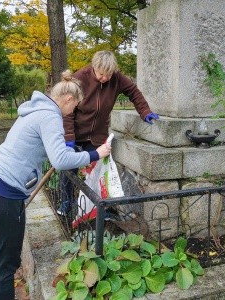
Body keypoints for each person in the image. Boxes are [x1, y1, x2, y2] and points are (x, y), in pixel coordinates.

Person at [0, 70, 112, 300]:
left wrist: (71, 150)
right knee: (6, 268)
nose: (73, 112)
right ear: (68, 99)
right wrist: (94, 154)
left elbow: (48, 149)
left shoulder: (35, 109)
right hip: (4, 197)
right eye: (75, 106)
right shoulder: (50, 116)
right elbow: (59, 161)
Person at [58, 50, 159, 215]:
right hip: (75, 132)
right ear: (94, 68)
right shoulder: (80, 78)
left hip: (97, 134)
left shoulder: (118, 79)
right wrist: (69, 137)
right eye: (101, 74)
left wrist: (145, 111)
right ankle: (66, 203)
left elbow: (134, 93)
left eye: (108, 75)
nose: (104, 78)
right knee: (68, 170)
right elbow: (67, 111)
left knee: (98, 171)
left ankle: (96, 209)